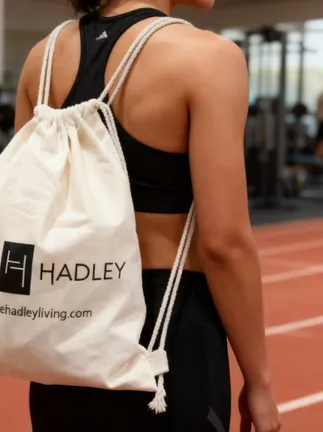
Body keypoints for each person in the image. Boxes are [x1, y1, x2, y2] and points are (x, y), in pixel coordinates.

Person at [14, 1, 282, 431]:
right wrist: (260, 382)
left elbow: (29, 207)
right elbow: (223, 244)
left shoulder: (41, 59)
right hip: (166, 331)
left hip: (63, 332)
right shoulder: (208, 57)